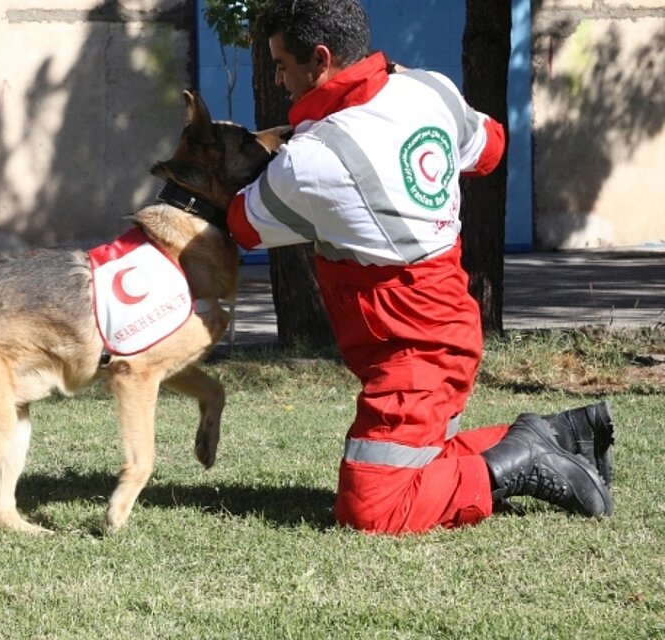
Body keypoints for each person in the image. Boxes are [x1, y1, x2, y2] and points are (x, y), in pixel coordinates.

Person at [226, 0, 615, 534]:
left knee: (372, 507)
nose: (277, 79)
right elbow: (491, 150)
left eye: (281, 65)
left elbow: (243, 225)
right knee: (426, 457)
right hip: (448, 325)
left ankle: (526, 458)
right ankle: (566, 432)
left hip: (410, 350)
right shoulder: (428, 88)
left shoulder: (311, 159)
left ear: (319, 59)